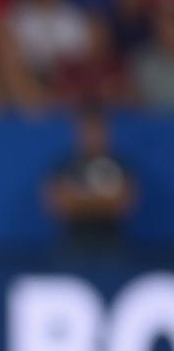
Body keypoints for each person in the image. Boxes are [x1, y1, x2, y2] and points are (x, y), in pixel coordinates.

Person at [45, 110, 135, 260]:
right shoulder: (66, 166)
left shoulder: (120, 165)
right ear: (79, 134)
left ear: (107, 133)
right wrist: (104, 200)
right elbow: (57, 205)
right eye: (88, 132)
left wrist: (79, 200)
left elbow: (125, 204)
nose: (92, 137)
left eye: (97, 131)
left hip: (111, 241)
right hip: (74, 242)